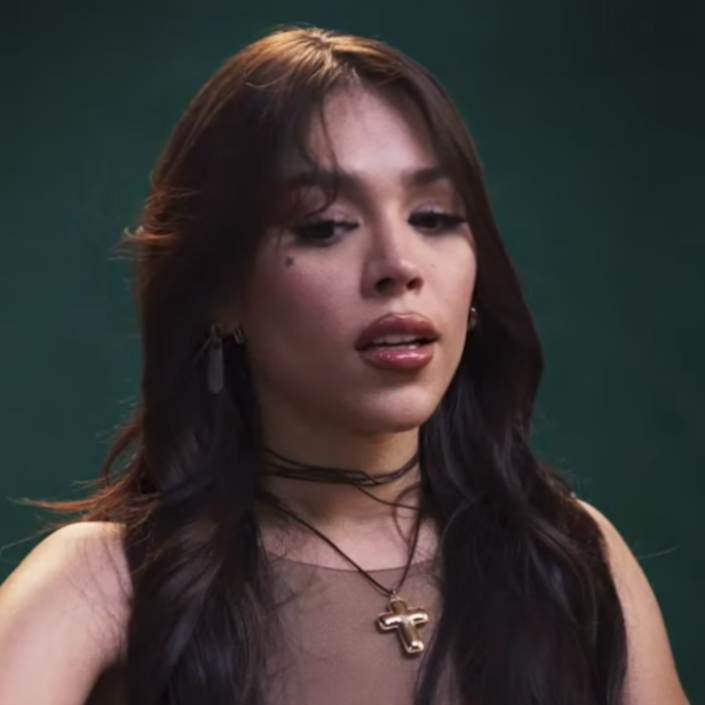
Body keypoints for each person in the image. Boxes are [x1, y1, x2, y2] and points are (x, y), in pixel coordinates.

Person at [0, 26, 689, 705]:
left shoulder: (574, 563)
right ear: (221, 292)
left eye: (432, 216)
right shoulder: (103, 584)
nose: (399, 265)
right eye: (324, 224)